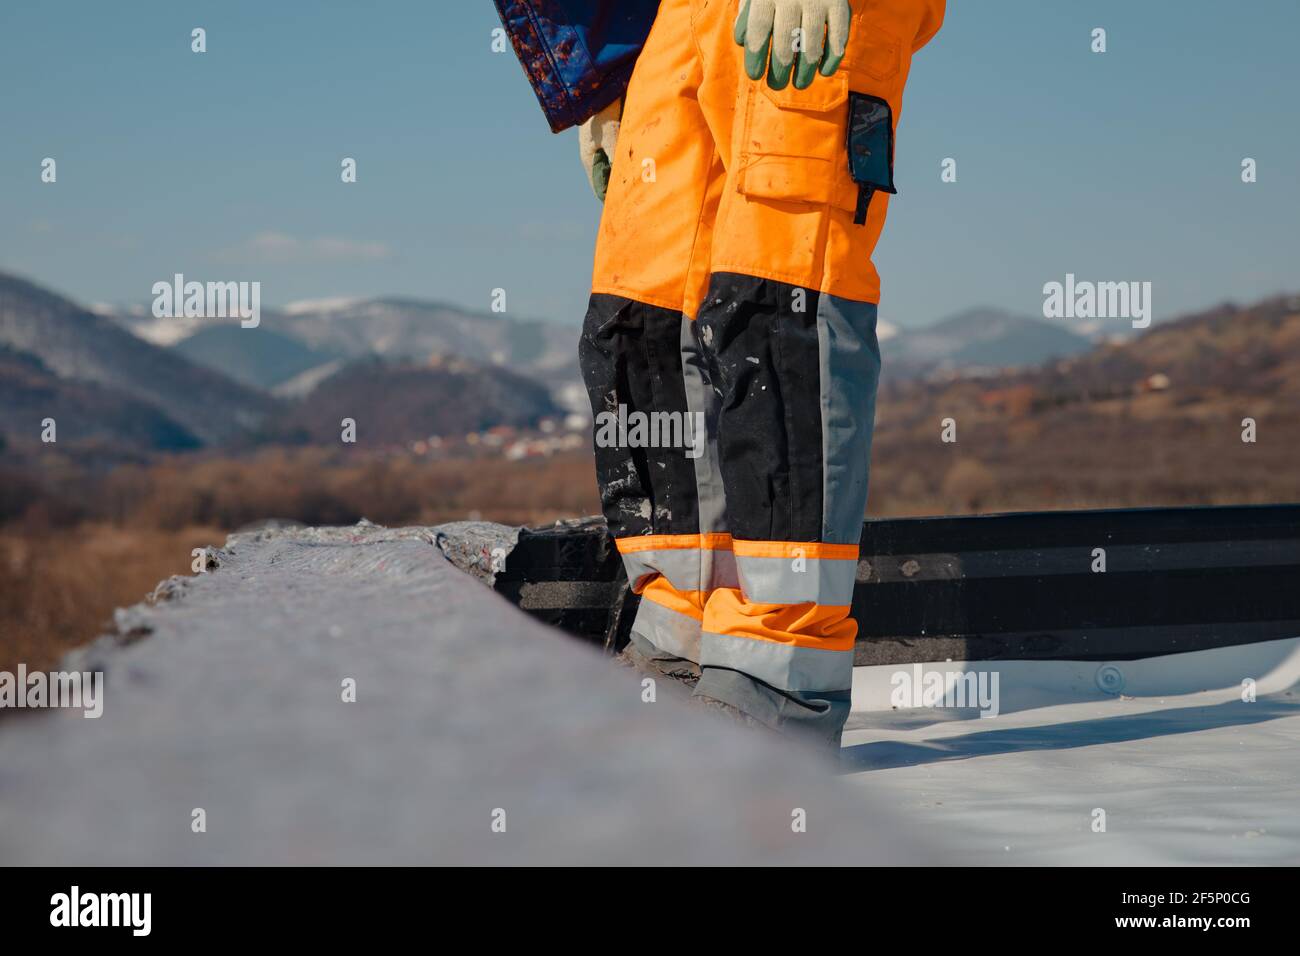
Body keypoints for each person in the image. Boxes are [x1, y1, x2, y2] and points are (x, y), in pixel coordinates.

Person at [495, 0, 945, 750]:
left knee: (778, 299)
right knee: (643, 311)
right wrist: (596, 70)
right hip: (661, 22)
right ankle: (684, 637)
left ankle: (775, 676)